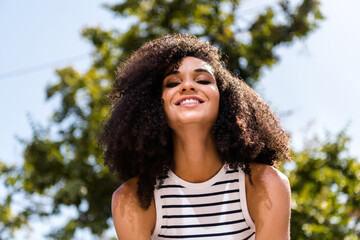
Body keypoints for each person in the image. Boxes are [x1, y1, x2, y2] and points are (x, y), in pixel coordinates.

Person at [98, 33, 291, 240]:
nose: (188, 86)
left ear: (223, 99)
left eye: (202, 80)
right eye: (172, 83)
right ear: (154, 105)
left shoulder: (266, 184)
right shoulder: (131, 199)